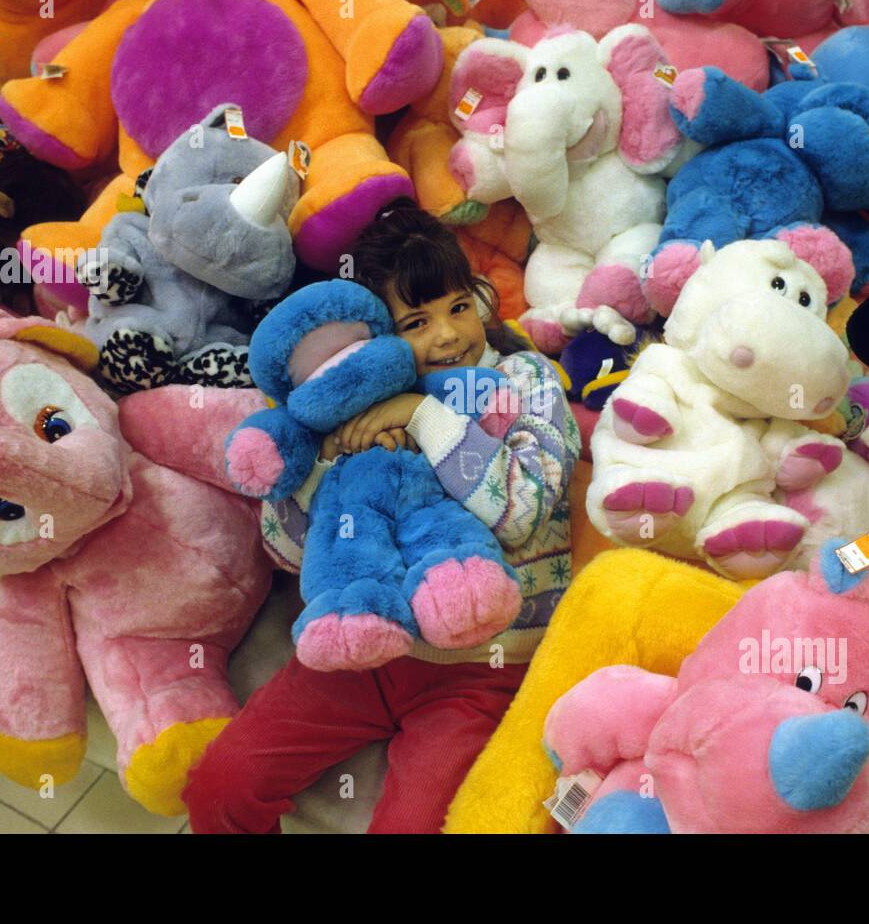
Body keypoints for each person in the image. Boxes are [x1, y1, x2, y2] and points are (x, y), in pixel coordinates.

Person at [183, 198, 580, 833]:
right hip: (360, 648)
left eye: (458, 307)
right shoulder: (344, 407)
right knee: (219, 787)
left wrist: (423, 417)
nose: (447, 334)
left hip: (482, 665)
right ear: (374, 338)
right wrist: (323, 466)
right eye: (416, 321)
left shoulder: (522, 378)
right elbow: (288, 555)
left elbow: (523, 513)